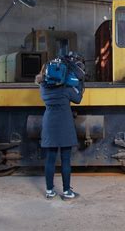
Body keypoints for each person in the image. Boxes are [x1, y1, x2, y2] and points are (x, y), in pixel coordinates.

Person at [35, 60, 84, 201]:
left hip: (49, 124)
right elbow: (78, 99)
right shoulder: (66, 88)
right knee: (65, 160)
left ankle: (50, 191)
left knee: (50, 160)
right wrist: (79, 82)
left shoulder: (43, 87)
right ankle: (67, 191)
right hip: (65, 125)